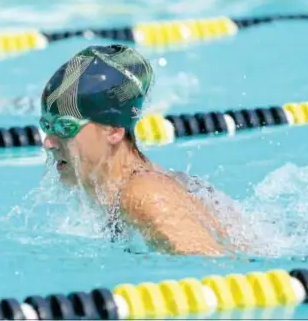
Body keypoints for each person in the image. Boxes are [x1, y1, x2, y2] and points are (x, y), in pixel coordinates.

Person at [40, 44, 234, 256]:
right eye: (46, 126)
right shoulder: (105, 187)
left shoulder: (144, 193)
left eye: (64, 127)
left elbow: (214, 267)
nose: (49, 143)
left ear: (113, 131)